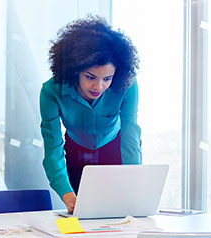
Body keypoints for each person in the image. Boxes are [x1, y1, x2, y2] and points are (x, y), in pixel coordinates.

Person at [39, 15, 141, 213]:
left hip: (116, 147)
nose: (99, 86)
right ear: (74, 70)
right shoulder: (51, 91)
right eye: (90, 77)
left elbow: (130, 137)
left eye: (107, 78)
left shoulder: (128, 85)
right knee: (81, 212)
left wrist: (134, 183)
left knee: (122, 210)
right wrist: (66, 193)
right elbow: (53, 150)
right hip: (77, 151)